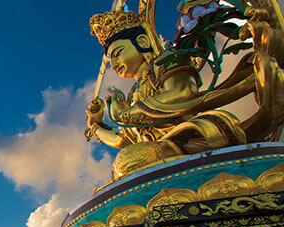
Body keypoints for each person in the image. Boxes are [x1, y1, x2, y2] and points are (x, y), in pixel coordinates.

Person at [85, 6, 283, 180]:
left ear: (142, 41)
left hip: (189, 141)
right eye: (110, 61)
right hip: (157, 151)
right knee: (125, 164)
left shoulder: (168, 62)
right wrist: (96, 124)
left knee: (127, 162)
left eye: (117, 54)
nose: (114, 64)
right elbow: (123, 139)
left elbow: (183, 94)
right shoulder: (133, 94)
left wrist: (124, 114)